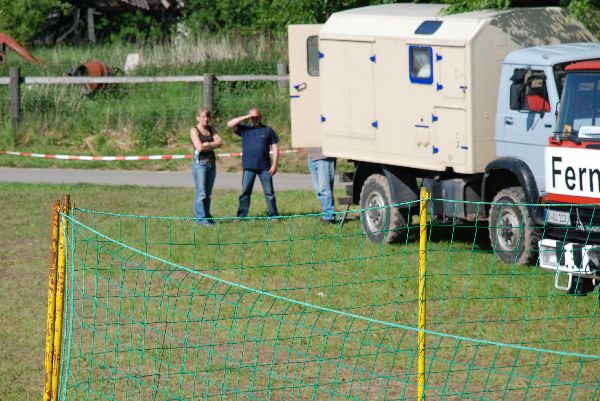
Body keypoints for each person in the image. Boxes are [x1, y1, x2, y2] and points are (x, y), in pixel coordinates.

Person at [227, 107, 279, 219]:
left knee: (269, 192)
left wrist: (274, 164)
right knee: (245, 192)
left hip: (265, 167)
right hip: (249, 166)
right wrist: (246, 116)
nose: (255, 119)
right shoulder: (245, 130)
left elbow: (275, 147)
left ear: (261, 117)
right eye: (253, 117)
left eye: (257, 116)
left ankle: (273, 215)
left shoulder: (268, 130)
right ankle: (241, 216)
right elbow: (230, 124)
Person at [190, 107, 223, 226]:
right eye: (203, 116)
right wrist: (212, 144)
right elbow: (199, 147)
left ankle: (207, 216)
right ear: (198, 117)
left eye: (208, 116)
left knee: (208, 193)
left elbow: (220, 142)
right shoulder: (194, 130)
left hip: (211, 163)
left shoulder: (211, 129)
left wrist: (208, 144)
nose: (206, 119)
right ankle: (200, 218)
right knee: (201, 193)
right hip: (200, 164)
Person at [307, 147, 337, 223]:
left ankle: (328, 217)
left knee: (324, 189)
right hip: (312, 157)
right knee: (319, 191)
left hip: (325, 157)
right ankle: (326, 213)